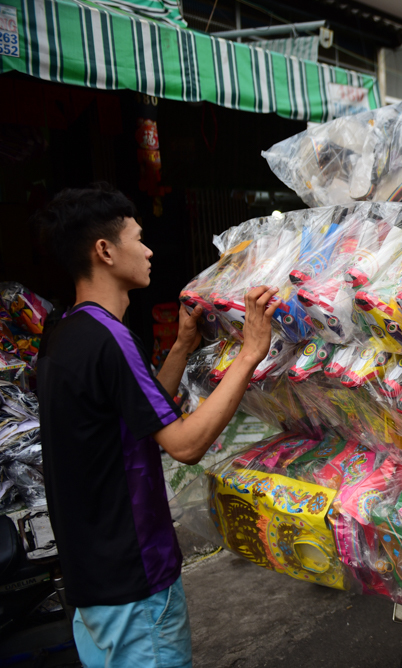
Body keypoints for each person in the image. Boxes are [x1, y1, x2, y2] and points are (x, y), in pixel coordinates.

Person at [33, 184, 279, 668]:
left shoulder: (66, 332)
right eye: (138, 238)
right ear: (104, 250)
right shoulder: (110, 337)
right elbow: (184, 444)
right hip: (134, 582)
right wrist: (251, 352)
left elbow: (140, 411)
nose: (149, 250)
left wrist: (184, 346)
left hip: (92, 582)